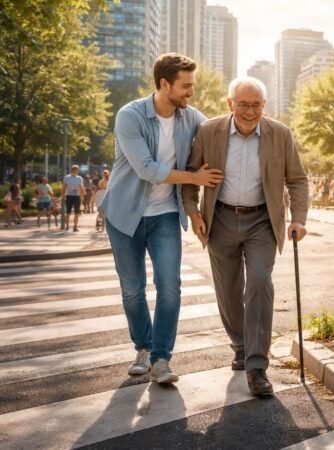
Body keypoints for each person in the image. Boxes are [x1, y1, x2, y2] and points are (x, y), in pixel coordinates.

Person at [182, 76, 309, 397]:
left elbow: (298, 180)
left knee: (259, 283)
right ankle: (240, 342)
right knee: (227, 289)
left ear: (264, 106)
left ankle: (256, 365)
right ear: (230, 104)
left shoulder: (281, 134)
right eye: (243, 104)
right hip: (220, 218)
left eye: (256, 105)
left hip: (262, 222)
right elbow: (189, 178)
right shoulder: (209, 131)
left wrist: (299, 219)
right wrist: (194, 213)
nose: (249, 112)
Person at [101, 53, 223, 385]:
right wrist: (193, 178)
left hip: (165, 215)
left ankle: (161, 359)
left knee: (170, 286)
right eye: (185, 86)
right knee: (132, 290)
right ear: (164, 84)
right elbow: (147, 170)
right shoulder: (130, 116)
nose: (191, 93)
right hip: (125, 215)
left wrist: (246, 111)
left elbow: (218, 135)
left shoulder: (192, 117)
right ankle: (143, 347)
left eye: (192, 86)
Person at [62, 165, 85, 232]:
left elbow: (81, 187)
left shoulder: (79, 178)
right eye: (76, 170)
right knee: (68, 212)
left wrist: (82, 196)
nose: (77, 171)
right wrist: (63, 195)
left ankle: (75, 226)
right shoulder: (67, 177)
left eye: (77, 170)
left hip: (77, 196)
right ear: (73, 170)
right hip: (69, 196)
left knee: (76, 212)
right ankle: (67, 226)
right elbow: (64, 186)